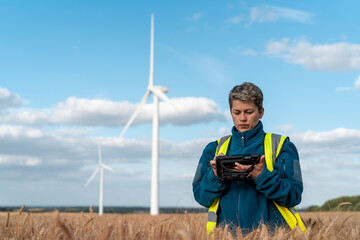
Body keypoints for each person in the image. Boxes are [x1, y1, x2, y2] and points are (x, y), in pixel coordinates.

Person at [192, 82, 304, 234]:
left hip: (272, 236)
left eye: (249, 112)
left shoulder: (282, 146)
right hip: (226, 237)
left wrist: (262, 176)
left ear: (261, 112)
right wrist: (216, 176)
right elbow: (201, 197)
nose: (242, 118)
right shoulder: (214, 149)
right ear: (230, 111)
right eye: (237, 112)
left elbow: (294, 195)